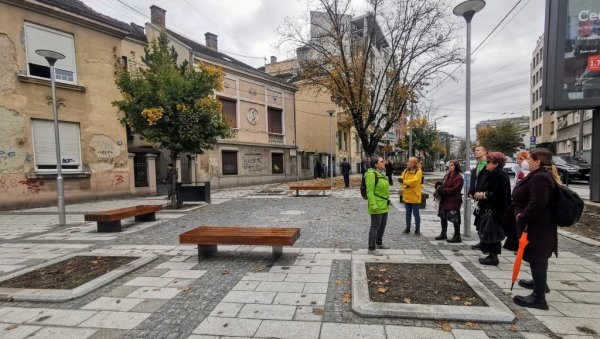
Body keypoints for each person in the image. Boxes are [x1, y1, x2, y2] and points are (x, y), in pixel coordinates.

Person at [511, 148, 560, 310]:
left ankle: (539, 298)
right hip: (538, 224)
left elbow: (537, 203)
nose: (527, 162)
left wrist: (522, 217)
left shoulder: (540, 177)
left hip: (537, 224)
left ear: (538, 161)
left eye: (530, 159)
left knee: (537, 256)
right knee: (537, 256)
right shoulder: (540, 175)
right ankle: (539, 283)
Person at [472, 152, 511, 266]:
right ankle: (491, 255)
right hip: (490, 208)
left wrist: (484, 195)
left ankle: (493, 257)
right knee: (489, 230)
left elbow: (499, 194)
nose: (487, 164)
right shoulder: (493, 173)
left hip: (496, 209)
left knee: (493, 232)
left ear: (496, 163)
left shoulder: (500, 174)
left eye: (489, 162)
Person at [365, 156, 391, 256]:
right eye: (381, 161)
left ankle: (379, 243)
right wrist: (373, 204)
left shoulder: (381, 173)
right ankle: (371, 248)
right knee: (375, 226)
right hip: (376, 205)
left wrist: (388, 200)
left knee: (382, 225)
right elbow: (370, 192)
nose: (384, 162)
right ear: (376, 164)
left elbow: (383, 189)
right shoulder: (371, 174)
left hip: (384, 204)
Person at [434, 160, 464, 243]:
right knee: (442, 217)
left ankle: (457, 236)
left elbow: (455, 190)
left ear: (456, 167)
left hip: (453, 200)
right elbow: (443, 184)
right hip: (444, 200)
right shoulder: (447, 174)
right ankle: (443, 233)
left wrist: (443, 190)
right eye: (449, 165)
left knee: (455, 219)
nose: (449, 166)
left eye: (452, 165)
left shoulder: (459, 177)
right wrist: (439, 186)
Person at [469, 146, 489, 250]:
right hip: (477, 197)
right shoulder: (478, 165)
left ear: (485, 152)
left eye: (478, 150)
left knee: (484, 220)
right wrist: (471, 192)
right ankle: (481, 240)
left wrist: (483, 193)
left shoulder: (488, 165)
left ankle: (485, 242)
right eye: (475, 150)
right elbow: (474, 180)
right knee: (478, 220)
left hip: (484, 198)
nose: (475, 152)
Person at [399, 157, 423, 235]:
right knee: (407, 213)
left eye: (409, 161)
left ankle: (417, 229)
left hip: (415, 195)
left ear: (414, 163)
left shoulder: (418, 171)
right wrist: (406, 184)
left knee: (416, 213)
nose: (408, 163)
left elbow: (415, 182)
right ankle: (408, 228)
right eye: (408, 161)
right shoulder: (406, 170)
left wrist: (405, 182)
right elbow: (401, 180)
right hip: (407, 195)